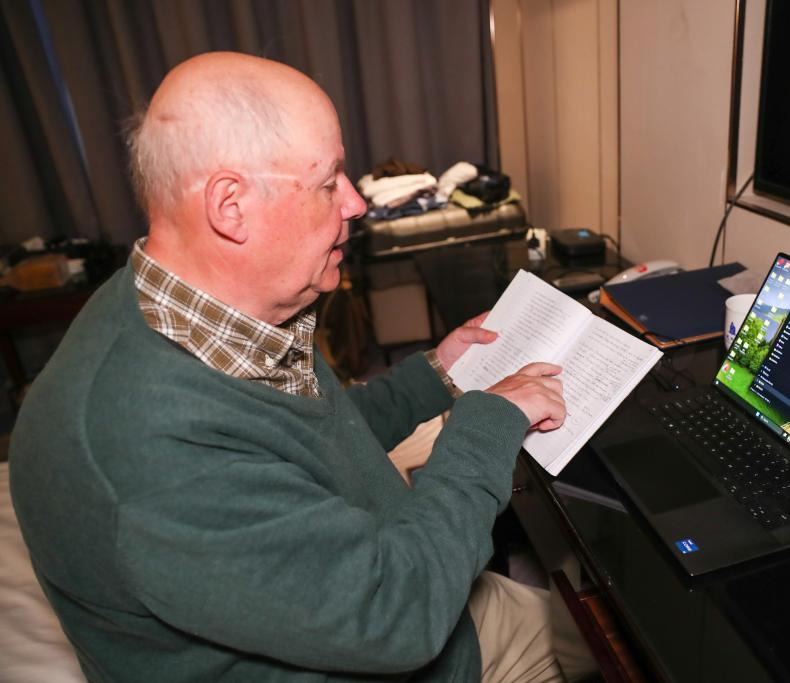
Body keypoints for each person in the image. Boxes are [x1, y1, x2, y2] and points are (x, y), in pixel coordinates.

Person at [9, 52, 572, 682]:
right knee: (608, 636)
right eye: (329, 182)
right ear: (230, 205)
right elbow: (397, 615)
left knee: (574, 622)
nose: (355, 203)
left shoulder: (207, 310)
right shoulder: (152, 450)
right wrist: (488, 422)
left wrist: (436, 372)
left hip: (407, 589)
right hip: (403, 619)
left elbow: (302, 440)